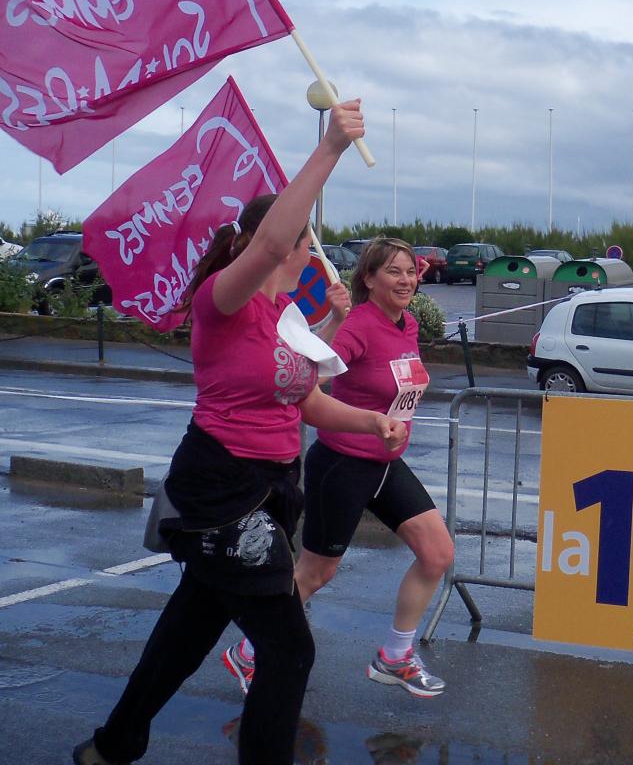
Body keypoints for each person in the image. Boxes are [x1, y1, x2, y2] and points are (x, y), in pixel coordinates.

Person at [74, 100, 407, 765]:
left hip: (270, 491)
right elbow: (275, 243)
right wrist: (330, 149)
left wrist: (371, 420)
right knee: (289, 648)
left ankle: (114, 745)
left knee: (191, 623)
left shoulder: (283, 315)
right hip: (223, 488)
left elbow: (306, 400)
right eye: (305, 242)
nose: (310, 252)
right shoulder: (222, 302)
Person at [223, 237, 454, 699]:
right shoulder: (360, 326)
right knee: (315, 573)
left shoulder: (405, 324)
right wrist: (333, 319)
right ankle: (248, 651)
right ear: (368, 278)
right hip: (342, 464)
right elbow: (317, 376)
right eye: (393, 271)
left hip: (385, 464)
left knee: (437, 555)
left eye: (411, 271)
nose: (406, 280)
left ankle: (395, 656)